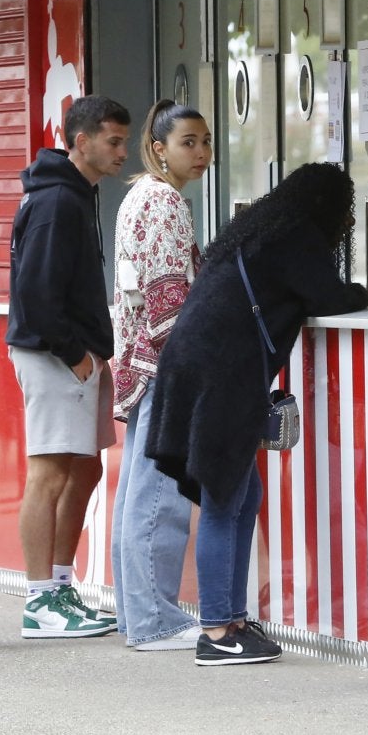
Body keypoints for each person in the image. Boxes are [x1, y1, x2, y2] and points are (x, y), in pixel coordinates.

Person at [148, 163, 368, 666]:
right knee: (224, 497)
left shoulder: (262, 230)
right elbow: (331, 296)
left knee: (243, 494)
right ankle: (217, 631)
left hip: (199, 366)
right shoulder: (296, 236)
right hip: (221, 374)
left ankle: (233, 620)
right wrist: (363, 292)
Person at [7, 94, 130, 637]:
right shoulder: (58, 201)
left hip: (72, 354)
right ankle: (40, 601)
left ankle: (60, 586)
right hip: (55, 355)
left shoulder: (75, 195)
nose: (123, 151)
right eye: (114, 141)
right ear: (82, 142)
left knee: (85, 468)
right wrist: (74, 353)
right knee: (50, 471)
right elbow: (36, 292)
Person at [109, 101, 211, 651]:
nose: (200, 153)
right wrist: (187, 362)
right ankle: (156, 622)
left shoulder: (137, 198)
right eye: (187, 142)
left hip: (136, 359)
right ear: (158, 149)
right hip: (161, 361)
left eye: (204, 141)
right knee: (158, 496)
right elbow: (169, 294)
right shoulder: (166, 202)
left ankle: (137, 616)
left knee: (135, 491)